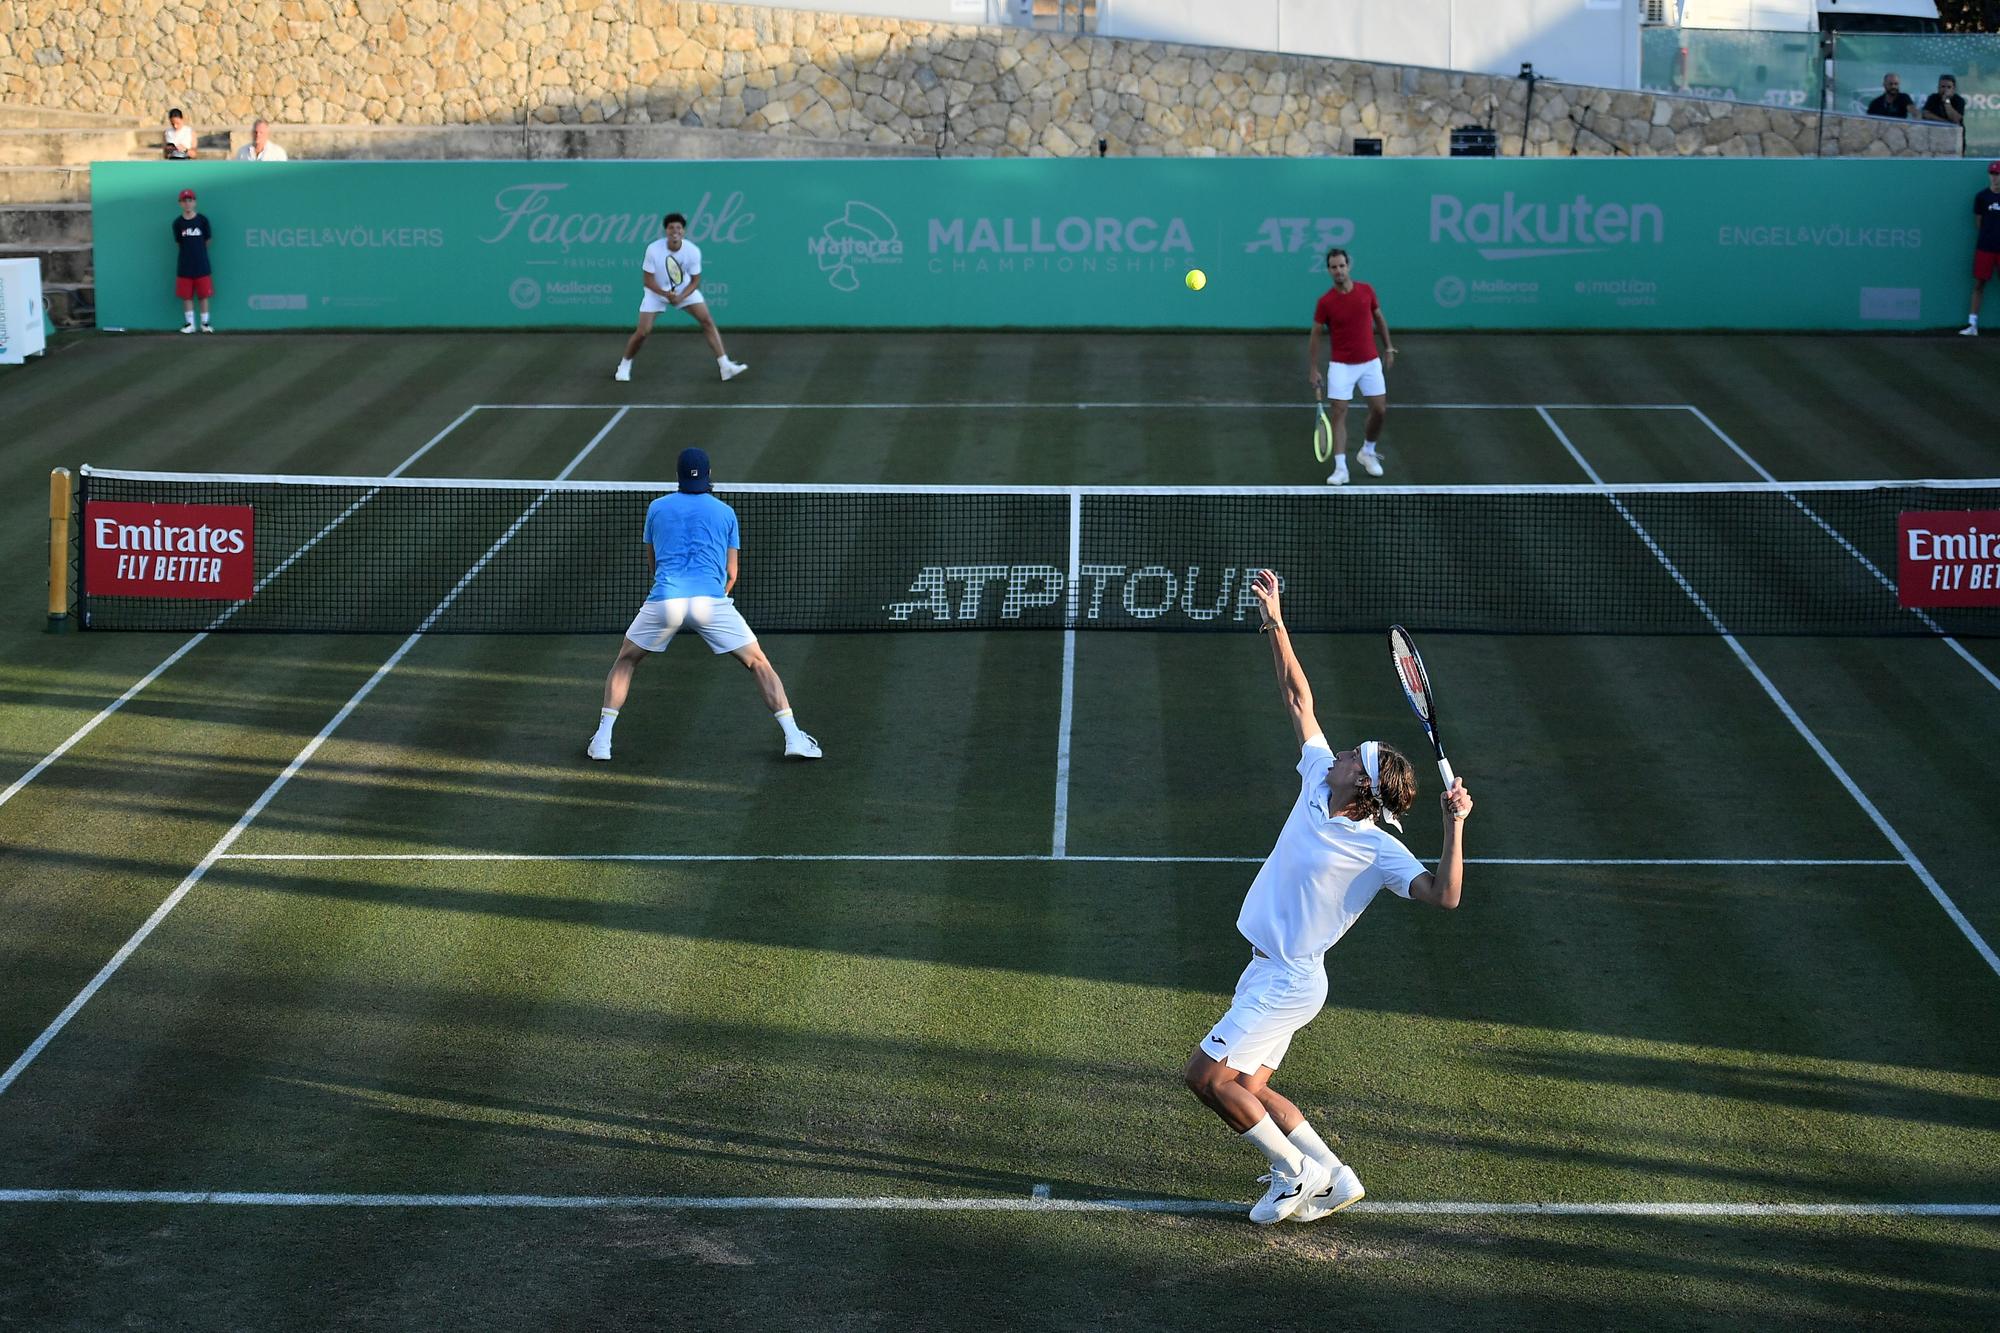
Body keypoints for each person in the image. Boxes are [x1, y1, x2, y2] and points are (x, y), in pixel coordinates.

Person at [1182, 569, 1470, 1226]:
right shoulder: (1319, 777)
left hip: (1289, 979)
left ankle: (1296, 1172)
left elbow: (1444, 895)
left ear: (1361, 786)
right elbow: (1297, 696)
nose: (1338, 751)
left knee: (1205, 1076)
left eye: (1352, 756)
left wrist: (1455, 825)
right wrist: (1274, 618)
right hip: (1272, 967)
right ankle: (1335, 1175)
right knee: (1250, 1087)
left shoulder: (1379, 848)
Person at [587, 447, 819, 763]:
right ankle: (794, 737)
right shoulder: (725, 512)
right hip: (711, 604)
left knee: (626, 660)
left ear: (678, 475)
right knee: (758, 663)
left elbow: (654, 567)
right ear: (709, 474)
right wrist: (713, 600)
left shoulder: (657, 508)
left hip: (665, 601)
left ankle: (602, 741)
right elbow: (732, 573)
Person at [614, 211, 748, 384]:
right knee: (642, 332)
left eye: (678, 227)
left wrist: (680, 296)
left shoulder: (692, 251)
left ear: (683, 231)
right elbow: (647, 280)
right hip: (656, 293)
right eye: (671, 228)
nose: (675, 231)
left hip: (684, 291)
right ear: (666, 231)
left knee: (706, 320)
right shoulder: (653, 250)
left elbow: (695, 281)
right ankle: (624, 366)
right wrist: (665, 294)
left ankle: (725, 366)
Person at [1306, 248, 1397, 486]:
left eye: (1341, 266)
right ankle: (1340, 468)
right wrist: (1313, 368)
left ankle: (1367, 451)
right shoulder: (1325, 302)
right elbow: (1315, 336)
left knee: (1380, 410)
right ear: (1328, 270)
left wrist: (1388, 347)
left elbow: (1379, 317)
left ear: (1349, 266)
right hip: (1341, 366)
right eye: (1333, 267)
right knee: (1339, 412)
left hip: (1369, 362)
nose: (1338, 271)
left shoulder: (1366, 291)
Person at [1962, 161, 2000, 337]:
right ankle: (1972, 325)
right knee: (1979, 284)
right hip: (1985, 248)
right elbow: (1979, 223)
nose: (1995, 178)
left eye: (1998, 174)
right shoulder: (1982, 197)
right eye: (1992, 174)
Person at [172, 188, 215, 334]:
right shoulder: (177, 223)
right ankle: (190, 324)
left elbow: (207, 241)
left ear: (194, 202)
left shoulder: (202, 220)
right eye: (184, 201)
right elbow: (179, 243)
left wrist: (199, 253)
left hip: (202, 265)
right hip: (184, 265)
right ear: (180, 204)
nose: (187, 204)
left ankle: (205, 324)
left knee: (203, 296)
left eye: (190, 200)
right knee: (186, 296)